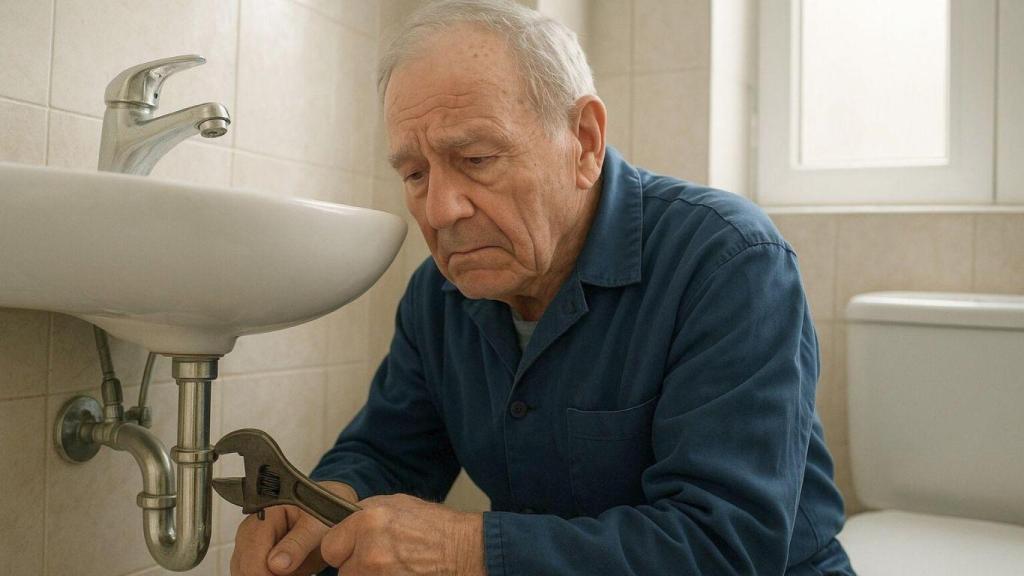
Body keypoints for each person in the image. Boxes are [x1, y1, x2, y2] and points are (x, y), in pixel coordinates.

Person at [230, 1, 855, 574]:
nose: (441, 209)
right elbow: (390, 450)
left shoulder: (729, 263)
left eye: (476, 159)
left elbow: (725, 547)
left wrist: (463, 548)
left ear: (583, 143)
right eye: (415, 173)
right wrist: (327, 501)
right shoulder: (438, 295)